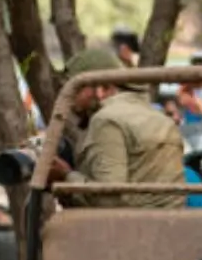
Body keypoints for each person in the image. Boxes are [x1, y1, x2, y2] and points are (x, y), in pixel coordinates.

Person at [47, 48, 185, 209]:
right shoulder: (157, 116)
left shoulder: (106, 120)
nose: (70, 98)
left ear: (101, 88)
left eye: (76, 89)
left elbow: (108, 200)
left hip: (129, 228)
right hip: (169, 224)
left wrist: (66, 175)